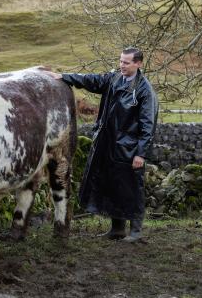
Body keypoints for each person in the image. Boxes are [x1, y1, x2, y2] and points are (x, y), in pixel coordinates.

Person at [46, 48, 158, 242]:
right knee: (113, 186)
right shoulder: (114, 79)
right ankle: (117, 229)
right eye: (121, 61)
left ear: (138, 64)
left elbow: (148, 125)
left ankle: (136, 232)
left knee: (132, 189)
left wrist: (141, 154)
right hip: (108, 144)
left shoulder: (144, 91)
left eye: (126, 62)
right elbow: (93, 81)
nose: (121, 65)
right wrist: (65, 77)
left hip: (129, 149)